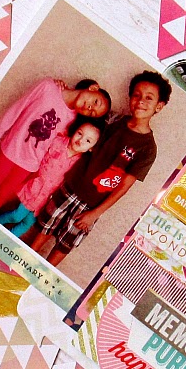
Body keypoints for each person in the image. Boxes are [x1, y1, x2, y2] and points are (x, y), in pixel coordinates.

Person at [31, 70, 171, 265]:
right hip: (70, 187)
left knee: (65, 244)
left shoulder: (148, 148)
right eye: (136, 95)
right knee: (44, 229)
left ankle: (40, 276)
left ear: (159, 106)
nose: (140, 101)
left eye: (149, 98)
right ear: (130, 98)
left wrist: (95, 214)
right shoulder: (112, 120)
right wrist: (64, 90)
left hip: (92, 206)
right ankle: (20, 263)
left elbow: (124, 187)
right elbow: (84, 107)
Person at [0, 78, 111, 216]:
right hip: (12, 150)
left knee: (0, 199)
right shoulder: (48, 87)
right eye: (96, 102)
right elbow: (16, 109)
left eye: (92, 113)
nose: (90, 108)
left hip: (30, 165)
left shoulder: (72, 120)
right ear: (93, 88)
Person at [0, 117, 103, 237]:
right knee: (16, 215)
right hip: (34, 187)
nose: (81, 140)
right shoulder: (58, 142)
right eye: (80, 133)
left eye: (88, 141)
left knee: (27, 223)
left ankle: (6, 238)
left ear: (91, 148)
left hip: (48, 198)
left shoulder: (80, 163)